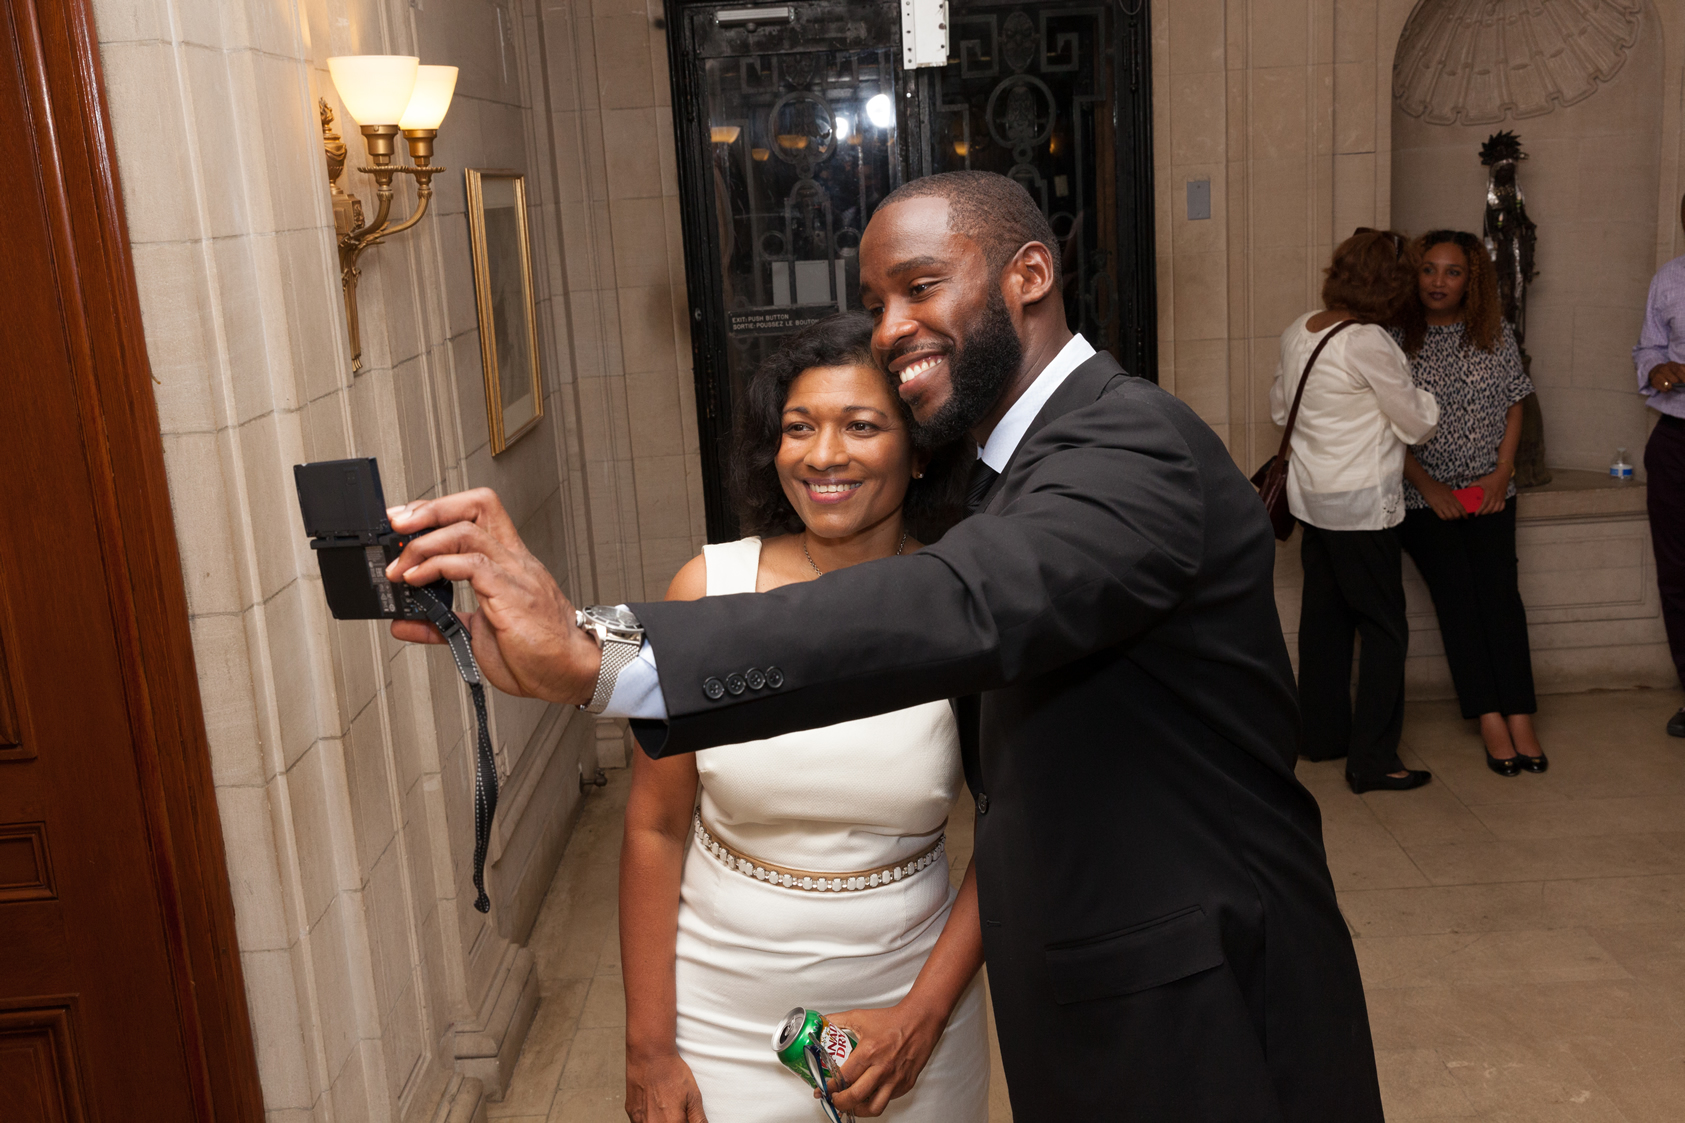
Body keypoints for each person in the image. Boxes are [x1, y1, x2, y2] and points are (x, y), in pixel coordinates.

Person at [385, 171, 1385, 1121]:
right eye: (876, 302)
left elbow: (955, 601)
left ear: (1029, 274)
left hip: (1198, 1008)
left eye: (920, 286)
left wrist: (602, 654)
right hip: (1109, 1000)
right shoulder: (1015, 469)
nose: (891, 326)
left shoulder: (1128, 445)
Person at [619, 313, 987, 1123]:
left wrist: (920, 1020)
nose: (823, 455)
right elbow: (654, 824)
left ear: (919, 450)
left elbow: (1015, 833)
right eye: (798, 427)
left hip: (913, 1009)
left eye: (861, 425)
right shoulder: (705, 591)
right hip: (722, 1015)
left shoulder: (965, 604)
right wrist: (647, 1048)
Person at [1269, 229, 1440, 793]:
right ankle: (1373, 760)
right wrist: (1427, 397)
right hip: (1362, 507)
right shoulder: (1368, 341)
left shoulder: (1301, 328)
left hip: (1312, 500)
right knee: (1385, 630)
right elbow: (1417, 422)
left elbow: (1280, 410)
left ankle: (1321, 737)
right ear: (1390, 284)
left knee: (1325, 624)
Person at [1395, 230, 1545, 775]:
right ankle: (1488, 717)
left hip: (1491, 491)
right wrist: (1428, 487)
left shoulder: (1491, 332)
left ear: (1470, 281)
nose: (1438, 281)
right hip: (1424, 498)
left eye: (1452, 272)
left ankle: (1520, 714)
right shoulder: (1395, 339)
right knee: (1459, 601)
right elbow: (1384, 425)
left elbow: (1514, 404)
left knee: (1501, 599)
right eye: (1429, 269)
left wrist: (1503, 474)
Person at [1635, 196, 1685, 738]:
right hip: (1676, 439)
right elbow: (1647, 346)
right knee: (1677, 574)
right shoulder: (1669, 278)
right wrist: (1658, 368)